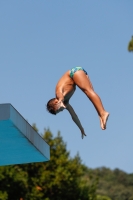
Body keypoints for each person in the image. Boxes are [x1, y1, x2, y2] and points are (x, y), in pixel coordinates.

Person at [46, 66, 109, 139]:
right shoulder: (66, 103)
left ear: (56, 102)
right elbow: (74, 116)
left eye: (59, 110)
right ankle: (100, 115)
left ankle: (103, 113)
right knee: (91, 94)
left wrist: (60, 101)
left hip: (74, 73)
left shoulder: (58, 94)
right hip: (79, 75)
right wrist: (81, 128)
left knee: (88, 92)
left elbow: (60, 96)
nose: (61, 110)